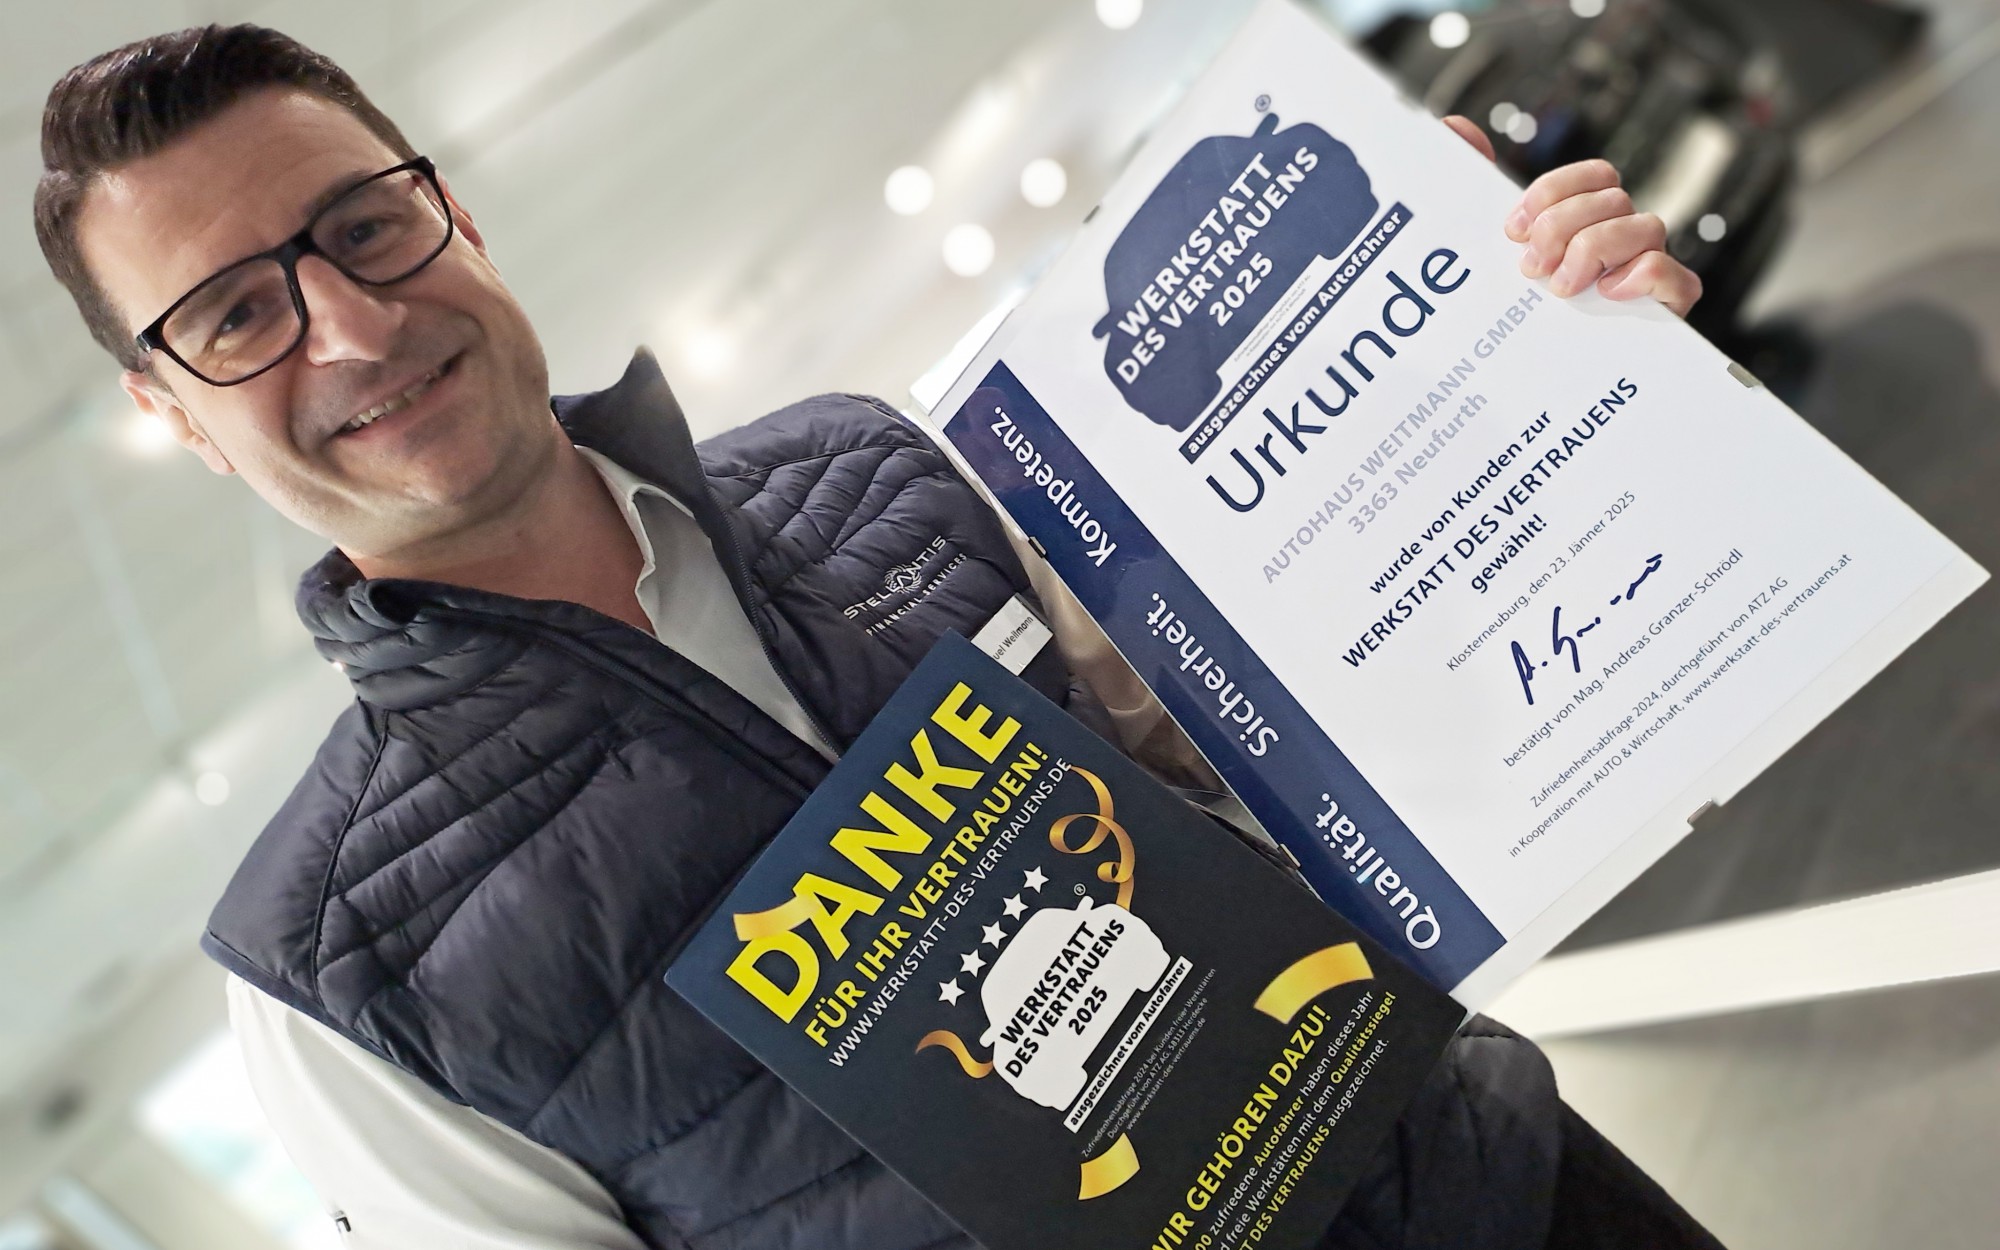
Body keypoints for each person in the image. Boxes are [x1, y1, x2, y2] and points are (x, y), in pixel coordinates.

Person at [35, 23, 1714, 1250]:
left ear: (454, 216)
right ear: (171, 410)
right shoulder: (341, 971)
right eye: (235, 313)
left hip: (1510, 1191)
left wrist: (1529, 355)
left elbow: (1295, 745)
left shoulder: (880, 470)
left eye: (362, 227)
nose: (350, 323)